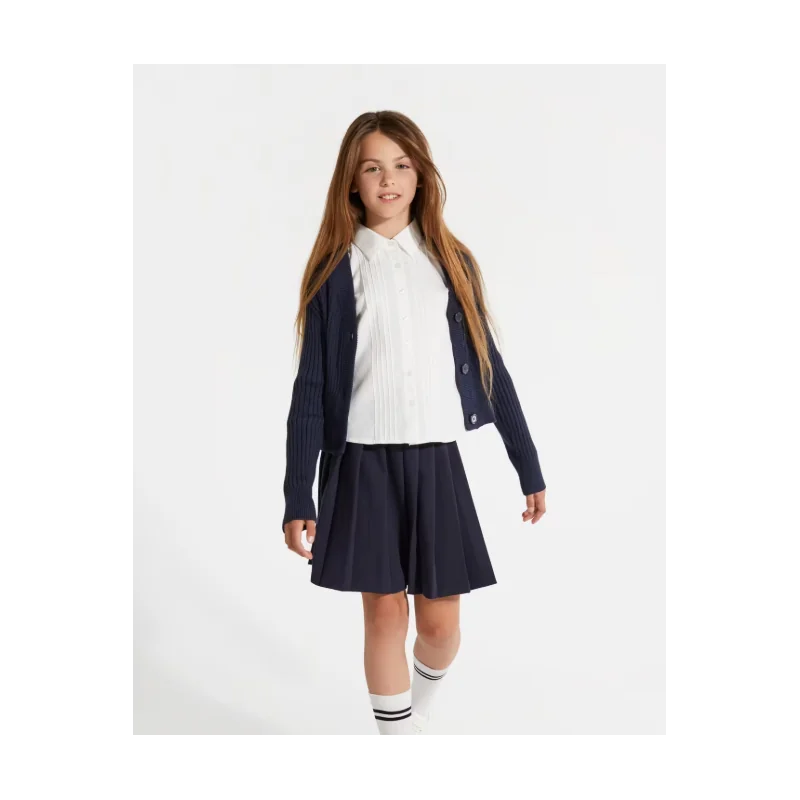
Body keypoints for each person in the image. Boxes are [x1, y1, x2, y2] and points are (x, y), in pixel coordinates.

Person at [281, 110, 547, 735]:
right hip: (361, 463)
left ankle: (416, 715)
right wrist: (298, 493)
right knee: (383, 616)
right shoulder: (334, 272)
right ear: (352, 182)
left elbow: (491, 369)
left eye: (402, 166)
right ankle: (396, 746)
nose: (388, 179)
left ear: (422, 176)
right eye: (372, 168)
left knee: (440, 625)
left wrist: (527, 465)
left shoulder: (451, 263)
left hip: (435, 461)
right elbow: (310, 389)